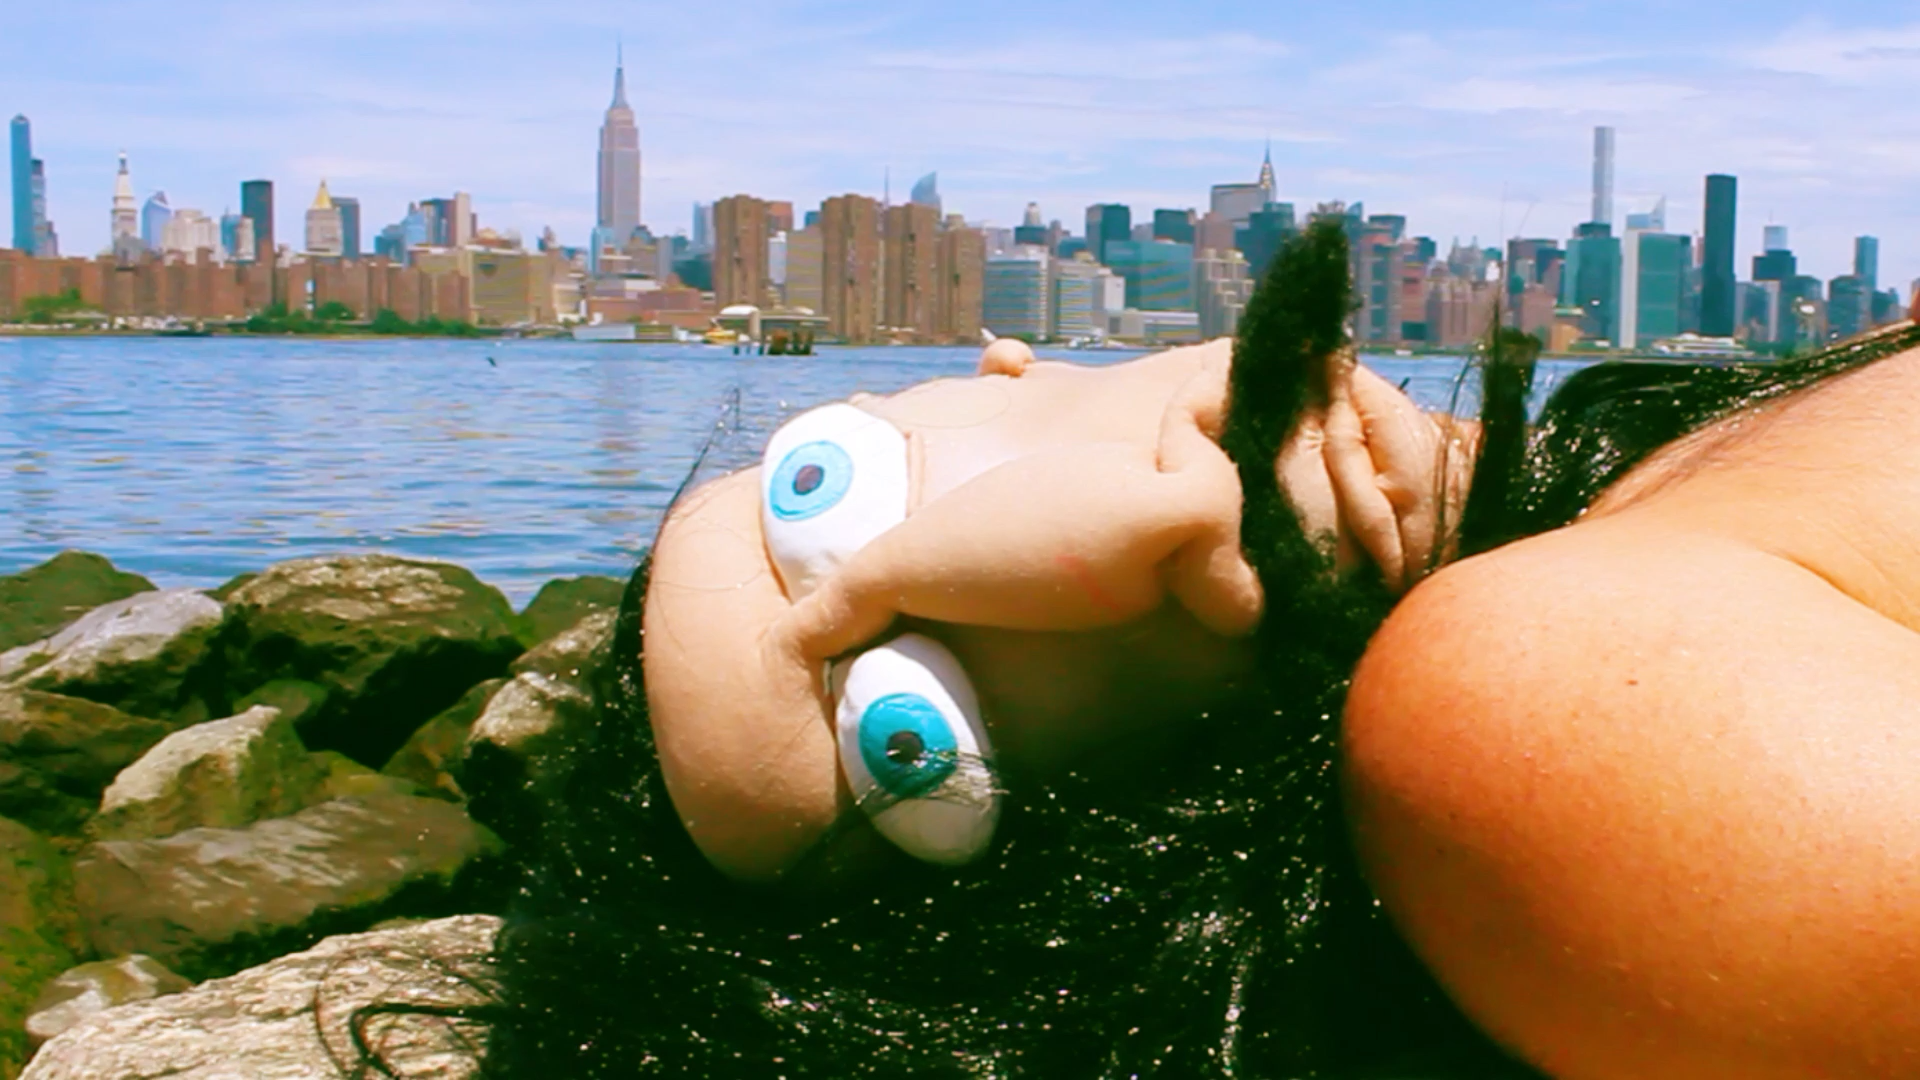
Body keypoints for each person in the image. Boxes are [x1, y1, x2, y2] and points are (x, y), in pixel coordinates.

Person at [471, 220, 1920, 1079]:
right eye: (909, 737)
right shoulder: (1535, 710)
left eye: (831, 495)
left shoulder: (1689, 459)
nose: (1103, 528)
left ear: (990, 369)